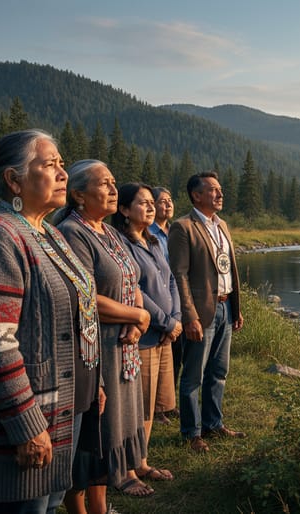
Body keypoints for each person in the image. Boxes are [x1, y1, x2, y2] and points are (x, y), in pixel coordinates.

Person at [0, 130, 102, 513]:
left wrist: (90, 377)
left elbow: (78, 310)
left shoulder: (47, 232)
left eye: (63, 164)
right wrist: (26, 426)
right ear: (14, 180)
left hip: (62, 409)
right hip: (22, 425)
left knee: (48, 507)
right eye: (50, 165)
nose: (63, 173)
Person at [56, 160, 152, 511]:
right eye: (105, 184)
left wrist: (139, 319)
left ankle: (102, 506)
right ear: (79, 194)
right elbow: (86, 296)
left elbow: (132, 277)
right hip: (95, 352)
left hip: (123, 348)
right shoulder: (72, 232)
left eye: (114, 183)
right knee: (92, 437)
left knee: (112, 432)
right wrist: (138, 315)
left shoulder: (108, 231)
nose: (114, 189)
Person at [169, 171, 245, 453]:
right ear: (196, 195)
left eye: (220, 189)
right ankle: (191, 432)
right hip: (201, 312)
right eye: (212, 190)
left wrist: (236, 308)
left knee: (219, 370)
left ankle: (214, 424)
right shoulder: (183, 227)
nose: (219, 194)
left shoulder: (222, 225)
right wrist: (189, 316)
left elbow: (230, 269)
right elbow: (180, 274)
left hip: (225, 306)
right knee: (193, 375)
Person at [113, 183, 181, 481]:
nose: (151, 207)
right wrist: (166, 322)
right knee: (136, 404)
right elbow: (135, 289)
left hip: (164, 334)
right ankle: (127, 468)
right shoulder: (121, 243)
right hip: (143, 335)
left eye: (153, 202)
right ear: (125, 210)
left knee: (152, 404)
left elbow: (172, 282)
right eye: (143, 203)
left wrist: (176, 318)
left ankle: (142, 460)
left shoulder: (153, 240)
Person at [149, 186, 180, 424]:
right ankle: (157, 409)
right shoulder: (148, 233)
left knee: (174, 356)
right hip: (157, 298)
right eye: (162, 201)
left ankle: (168, 402)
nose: (167, 205)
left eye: (170, 201)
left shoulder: (172, 231)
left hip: (175, 296)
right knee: (158, 353)